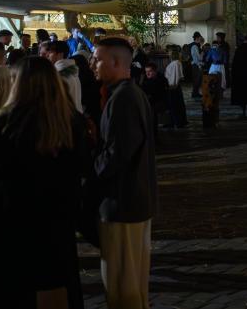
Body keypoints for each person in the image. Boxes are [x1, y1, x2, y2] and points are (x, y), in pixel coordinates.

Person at [0, 56, 88, 308]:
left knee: (15, 290)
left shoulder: (5, 121)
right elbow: (82, 166)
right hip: (56, 219)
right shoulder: (72, 122)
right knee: (55, 286)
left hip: (11, 219)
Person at [92, 38, 157, 309]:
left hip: (123, 201)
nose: (93, 64)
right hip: (134, 199)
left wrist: (88, 171)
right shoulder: (130, 94)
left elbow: (117, 155)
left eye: (98, 59)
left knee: (122, 282)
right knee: (132, 279)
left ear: (116, 63)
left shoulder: (123, 99)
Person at [42, 38, 84, 114]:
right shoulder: (71, 71)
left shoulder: (60, 75)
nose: (47, 55)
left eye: (50, 52)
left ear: (60, 54)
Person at [141, 61, 169, 139]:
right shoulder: (145, 79)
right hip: (148, 102)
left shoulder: (161, 80)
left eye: (150, 71)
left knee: (152, 115)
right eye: (146, 72)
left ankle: (153, 136)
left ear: (155, 71)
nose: (147, 74)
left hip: (157, 102)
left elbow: (162, 94)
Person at [164, 48, 187, 128]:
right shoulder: (176, 63)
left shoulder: (175, 64)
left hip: (173, 86)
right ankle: (177, 121)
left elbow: (175, 76)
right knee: (177, 105)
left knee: (174, 105)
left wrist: (173, 85)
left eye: (169, 52)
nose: (168, 54)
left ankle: (177, 121)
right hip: (174, 86)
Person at [189, 33, 204, 98]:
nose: (201, 40)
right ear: (197, 38)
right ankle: (195, 94)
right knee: (196, 80)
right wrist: (202, 54)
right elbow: (197, 58)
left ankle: (196, 93)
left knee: (197, 80)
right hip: (196, 65)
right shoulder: (194, 46)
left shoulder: (196, 46)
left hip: (196, 65)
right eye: (200, 38)